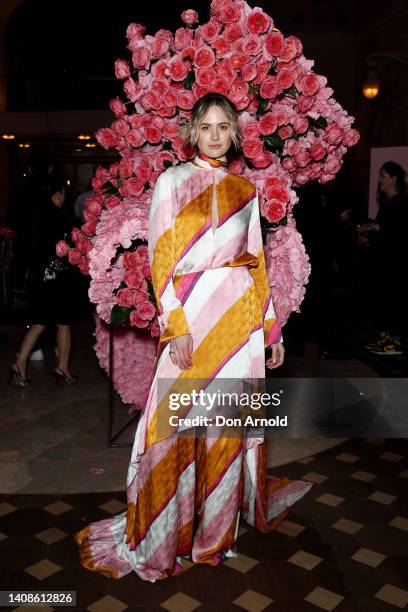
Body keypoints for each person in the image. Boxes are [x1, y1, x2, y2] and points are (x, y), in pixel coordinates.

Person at [75, 93, 313, 581]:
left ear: (235, 133)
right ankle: (166, 534)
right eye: (206, 126)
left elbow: (258, 263)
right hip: (191, 321)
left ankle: (214, 542)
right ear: (192, 132)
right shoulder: (171, 182)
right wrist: (176, 324)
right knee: (172, 427)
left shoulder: (246, 190)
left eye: (224, 126)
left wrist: (271, 328)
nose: (215, 135)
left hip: (239, 322)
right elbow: (162, 258)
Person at [8, 175, 79, 386]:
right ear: (56, 194)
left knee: (39, 323)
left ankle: (20, 362)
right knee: (64, 323)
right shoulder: (57, 216)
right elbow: (64, 249)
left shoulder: (34, 215)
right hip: (57, 279)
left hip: (41, 279)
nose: (64, 196)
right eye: (62, 192)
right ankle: (62, 367)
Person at [358, 161, 408, 355]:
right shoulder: (387, 203)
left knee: (394, 300)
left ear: (394, 178)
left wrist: (376, 228)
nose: (379, 180)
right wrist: (369, 239)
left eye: (383, 176)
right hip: (384, 262)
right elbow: (385, 236)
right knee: (384, 301)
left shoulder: (402, 202)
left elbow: (400, 233)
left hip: (396, 264)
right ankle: (385, 338)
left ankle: (395, 342)